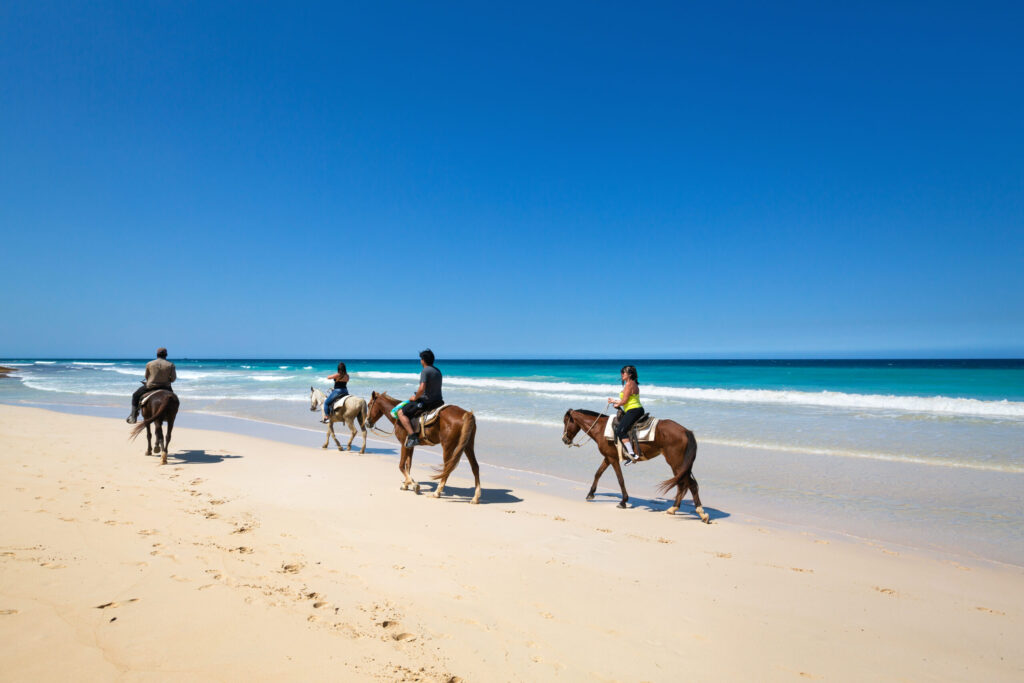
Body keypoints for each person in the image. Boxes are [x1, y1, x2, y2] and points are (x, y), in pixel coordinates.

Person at [397, 349, 444, 448]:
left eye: (421, 359)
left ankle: (413, 436)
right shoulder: (438, 371)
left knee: (400, 413)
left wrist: (415, 397)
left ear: (423, 360)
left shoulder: (425, 370)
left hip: (427, 402)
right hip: (438, 401)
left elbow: (422, 388)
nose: (420, 361)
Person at [127, 348, 176, 424]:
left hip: (151, 386)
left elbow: (146, 376)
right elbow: (173, 379)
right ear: (166, 355)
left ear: (157, 354)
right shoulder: (171, 365)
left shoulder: (149, 364)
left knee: (135, 395)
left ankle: (133, 416)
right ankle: (170, 415)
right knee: (174, 400)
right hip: (166, 387)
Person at [607, 364, 643, 463]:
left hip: (633, 410)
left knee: (620, 431)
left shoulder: (629, 384)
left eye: (624, 372)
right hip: (635, 409)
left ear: (630, 374)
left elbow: (624, 401)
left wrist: (616, 403)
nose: (622, 374)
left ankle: (632, 454)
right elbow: (625, 400)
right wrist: (615, 401)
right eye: (621, 372)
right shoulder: (633, 383)